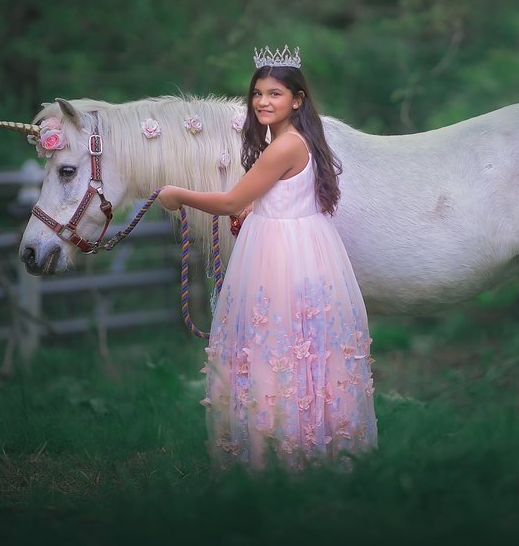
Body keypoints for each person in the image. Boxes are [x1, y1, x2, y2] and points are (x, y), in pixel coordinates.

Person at [158, 46, 378, 470]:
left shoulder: (283, 146)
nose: (262, 101)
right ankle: (299, 443)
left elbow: (229, 200)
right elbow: (269, 197)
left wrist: (177, 193)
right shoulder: (295, 141)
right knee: (295, 347)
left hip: (282, 253)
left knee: (275, 345)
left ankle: (281, 453)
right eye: (258, 93)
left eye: (275, 93)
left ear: (297, 100)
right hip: (298, 244)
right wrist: (253, 209)